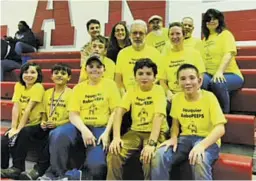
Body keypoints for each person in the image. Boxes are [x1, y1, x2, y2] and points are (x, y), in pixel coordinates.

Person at [39, 55, 120, 180]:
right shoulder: (78, 88)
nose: (95, 69)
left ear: (104, 69)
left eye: (99, 67)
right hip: (79, 126)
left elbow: (116, 112)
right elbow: (73, 114)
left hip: (100, 128)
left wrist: (107, 133)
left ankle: (73, 177)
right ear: (85, 69)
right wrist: (84, 130)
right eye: (91, 66)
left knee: (97, 167)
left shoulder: (110, 85)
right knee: (57, 134)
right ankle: (57, 175)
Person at [151, 63, 226, 180]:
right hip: (184, 139)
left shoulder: (209, 97)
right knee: (159, 155)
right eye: (183, 79)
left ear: (200, 80)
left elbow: (220, 129)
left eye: (192, 78)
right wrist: (173, 137)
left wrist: (201, 146)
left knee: (199, 159)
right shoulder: (176, 99)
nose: (187, 82)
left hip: (207, 140)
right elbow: (175, 125)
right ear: (178, 82)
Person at [107, 58, 169, 180]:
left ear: (155, 77)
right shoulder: (132, 90)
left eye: (148, 74)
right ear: (135, 77)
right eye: (140, 74)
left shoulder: (158, 90)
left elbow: (159, 116)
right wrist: (116, 138)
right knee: (114, 152)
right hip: (135, 132)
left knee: (149, 157)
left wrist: (151, 144)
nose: (144, 77)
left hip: (156, 133)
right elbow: (119, 111)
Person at [18, 63, 72, 180]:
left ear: (69, 77)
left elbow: (73, 117)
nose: (59, 76)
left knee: (52, 135)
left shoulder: (71, 94)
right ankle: (17, 167)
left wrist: (57, 124)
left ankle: (38, 170)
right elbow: (43, 113)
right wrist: (43, 121)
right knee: (26, 130)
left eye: (63, 73)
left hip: (62, 127)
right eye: (56, 73)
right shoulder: (47, 93)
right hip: (47, 124)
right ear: (51, 76)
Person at [1, 62, 44, 179]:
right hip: (21, 123)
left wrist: (18, 129)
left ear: (38, 75)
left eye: (33, 72)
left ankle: (17, 168)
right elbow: (16, 107)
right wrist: (13, 127)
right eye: (26, 72)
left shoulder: (38, 87)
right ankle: (3, 167)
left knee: (22, 133)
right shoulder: (19, 86)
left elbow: (28, 109)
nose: (29, 75)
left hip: (35, 124)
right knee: (4, 139)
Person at [201, 8, 244, 113]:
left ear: (219, 20)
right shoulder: (204, 40)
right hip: (210, 74)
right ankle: (205, 112)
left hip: (231, 74)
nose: (211, 21)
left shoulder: (225, 34)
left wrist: (220, 72)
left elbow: (228, 54)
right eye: (209, 19)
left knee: (217, 82)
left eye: (214, 18)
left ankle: (224, 114)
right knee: (200, 81)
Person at [158, 22, 205, 101]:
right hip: (173, 95)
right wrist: (168, 93)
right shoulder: (164, 57)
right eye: (172, 34)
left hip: (192, 92)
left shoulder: (194, 53)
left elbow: (200, 76)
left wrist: (193, 92)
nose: (174, 36)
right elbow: (162, 80)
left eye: (178, 33)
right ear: (168, 37)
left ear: (183, 35)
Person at [115, 19, 162, 96]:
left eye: (141, 33)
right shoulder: (122, 53)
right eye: (135, 33)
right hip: (126, 96)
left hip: (149, 95)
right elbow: (118, 80)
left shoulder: (155, 53)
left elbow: (158, 78)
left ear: (145, 35)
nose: (137, 36)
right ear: (130, 35)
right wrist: (125, 96)